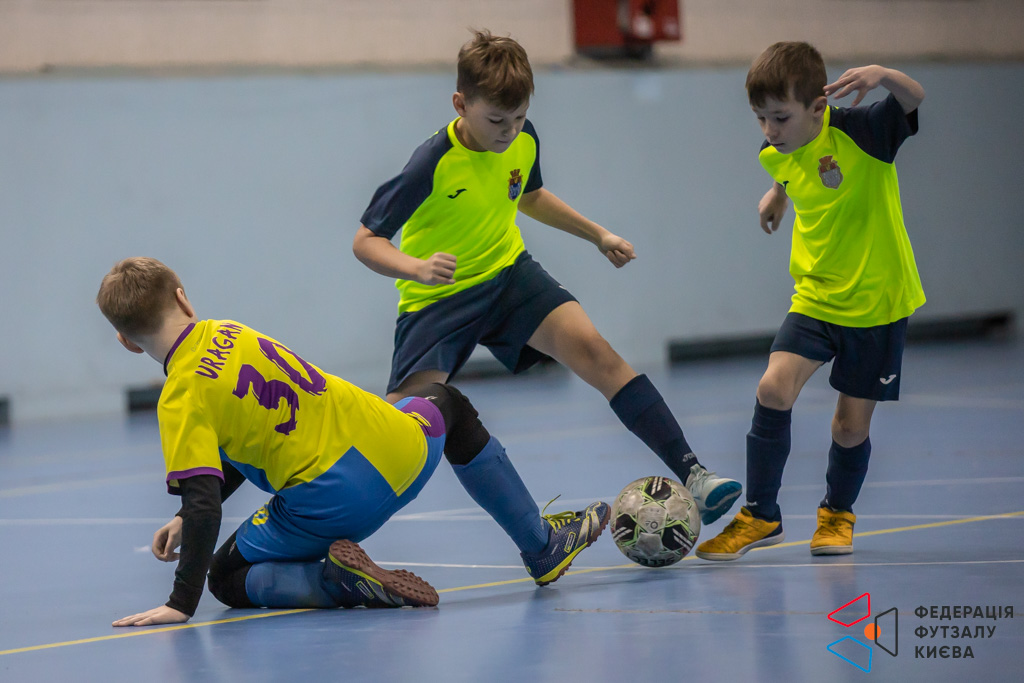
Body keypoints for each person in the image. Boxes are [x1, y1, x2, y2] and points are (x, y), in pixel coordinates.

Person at [352, 29, 741, 525]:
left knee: (596, 352)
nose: (509, 131)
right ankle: (332, 528)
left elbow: (530, 196)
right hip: (439, 301)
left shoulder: (523, 137)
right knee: (405, 429)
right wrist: (418, 268)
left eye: (518, 117)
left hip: (508, 276)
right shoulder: (431, 163)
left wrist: (598, 234)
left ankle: (695, 476)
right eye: (496, 120)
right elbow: (366, 241)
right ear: (460, 104)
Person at [96, 257, 609, 627]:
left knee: (228, 574)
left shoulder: (180, 395)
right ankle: (540, 545)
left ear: (126, 341)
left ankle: (335, 582)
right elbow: (235, 441)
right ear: (182, 297)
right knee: (445, 400)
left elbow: (205, 503)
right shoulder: (229, 331)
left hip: (337, 502)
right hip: (401, 447)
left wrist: (181, 603)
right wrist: (185, 517)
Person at [695, 42, 926, 561]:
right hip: (816, 295)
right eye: (760, 118)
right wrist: (778, 195)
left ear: (818, 107)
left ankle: (837, 513)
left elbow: (914, 98)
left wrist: (884, 72)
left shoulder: (863, 132)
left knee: (849, 425)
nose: (769, 130)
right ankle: (761, 514)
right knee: (773, 387)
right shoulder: (773, 151)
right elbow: (790, 168)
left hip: (877, 302)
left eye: (780, 117)